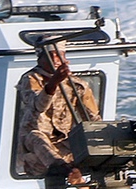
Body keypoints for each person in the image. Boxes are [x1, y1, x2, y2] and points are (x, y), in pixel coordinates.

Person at [14, 40, 100, 180]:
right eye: (50, 55)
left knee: (89, 140)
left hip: (62, 141)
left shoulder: (77, 85)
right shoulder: (31, 79)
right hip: (32, 143)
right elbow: (38, 106)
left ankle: (82, 177)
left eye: (59, 55)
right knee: (37, 138)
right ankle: (63, 169)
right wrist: (53, 83)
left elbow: (93, 119)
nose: (55, 60)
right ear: (40, 59)